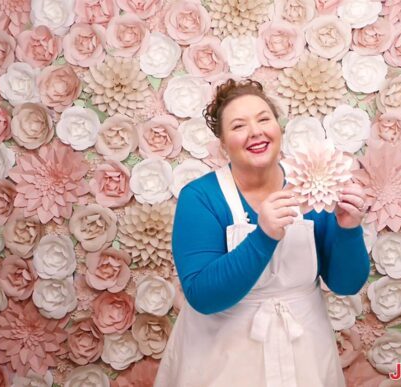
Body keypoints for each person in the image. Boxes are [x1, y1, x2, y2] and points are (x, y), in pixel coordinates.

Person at [154, 79, 370, 387]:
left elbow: (346, 284)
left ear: (279, 129)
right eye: (239, 125)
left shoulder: (312, 187)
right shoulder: (200, 197)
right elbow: (202, 295)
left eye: (264, 119)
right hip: (221, 360)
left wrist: (349, 230)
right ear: (223, 144)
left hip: (304, 355)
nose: (256, 131)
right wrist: (263, 235)